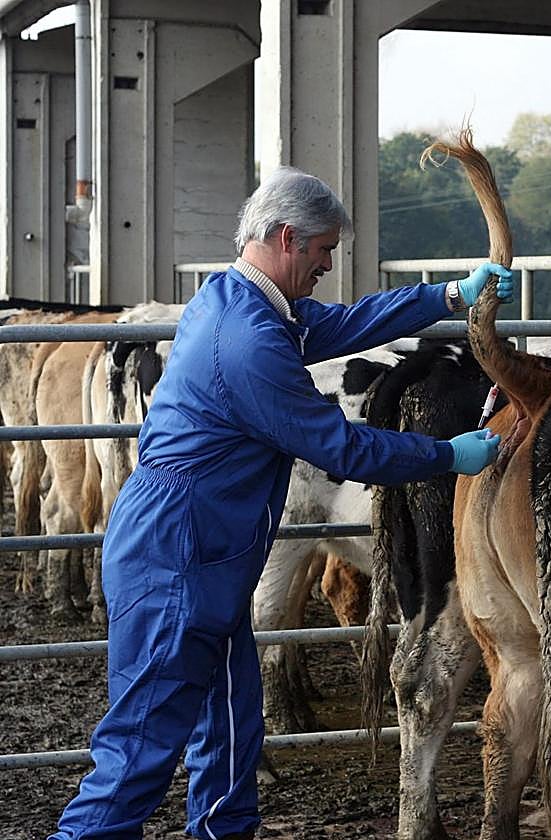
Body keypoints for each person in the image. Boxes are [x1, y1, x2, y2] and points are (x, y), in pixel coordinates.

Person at [51, 167, 513, 839]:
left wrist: (445, 295)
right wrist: (446, 456)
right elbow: (340, 447)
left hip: (205, 548)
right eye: (323, 251)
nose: (328, 264)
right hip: (178, 552)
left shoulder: (242, 301)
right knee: (141, 746)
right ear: (288, 238)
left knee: (231, 726)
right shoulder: (249, 341)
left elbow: (346, 322)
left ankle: (225, 831)